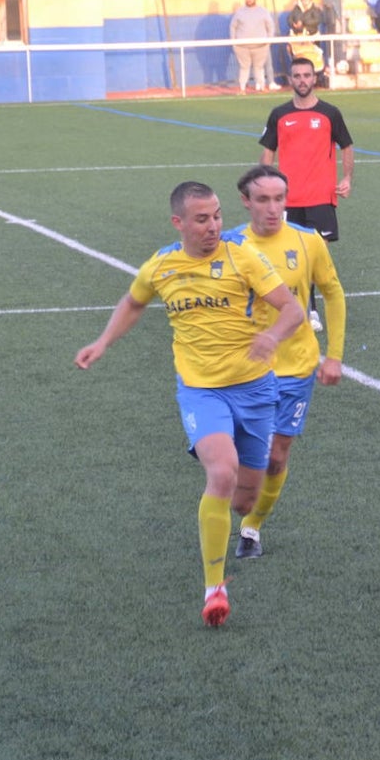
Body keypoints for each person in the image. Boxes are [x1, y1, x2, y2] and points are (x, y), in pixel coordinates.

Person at [74, 181, 304, 627]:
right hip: (201, 391)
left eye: (217, 215)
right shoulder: (162, 266)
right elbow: (133, 301)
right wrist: (102, 342)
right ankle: (214, 588)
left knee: (244, 500)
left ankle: (251, 523)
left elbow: (292, 309)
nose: (213, 226)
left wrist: (272, 336)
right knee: (221, 471)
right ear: (179, 222)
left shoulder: (244, 258)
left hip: (256, 389)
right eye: (202, 219)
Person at [225, 164, 347, 559]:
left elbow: (333, 293)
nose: (274, 208)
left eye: (280, 198)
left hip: (295, 366)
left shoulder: (308, 242)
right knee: (237, 459)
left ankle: (252, 528)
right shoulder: (229, 245)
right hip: (243, 369)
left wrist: (335, 355)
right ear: (246, 202)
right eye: (263, 200)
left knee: (276, 456)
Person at [259, 56, 354, 331]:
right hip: (289, 200)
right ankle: (309, 310)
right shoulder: (279, 114)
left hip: (322, 198)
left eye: (306, 75)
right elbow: (267, 152)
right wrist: (263, 189)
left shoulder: (330, 113)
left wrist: (347, 178)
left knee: (316, 258)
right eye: (297, 75)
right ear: (291, 80)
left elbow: (347, 145)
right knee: (293, 258)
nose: (302, 80)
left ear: (315, 78)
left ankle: (315, 307)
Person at [230, 0, 280, 94]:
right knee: (244, 67)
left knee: (259, 67)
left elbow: (270, 26)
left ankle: (262, 87)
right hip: (242, 47)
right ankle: (242, 89)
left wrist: (268, 41)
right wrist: (234, 42)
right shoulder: (239, 12)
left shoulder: (263, 11)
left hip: (260, 47)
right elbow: (233, 27)